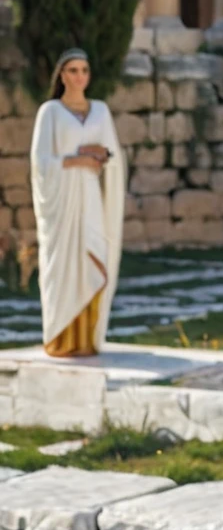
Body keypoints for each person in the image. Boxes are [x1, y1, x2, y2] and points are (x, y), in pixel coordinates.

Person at [30, 48, 125, 357]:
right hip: (61, 201)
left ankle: (87, 339)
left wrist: (101, 155)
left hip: (89, 197)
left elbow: (113, 156)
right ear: (62, 75)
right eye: (73, 70)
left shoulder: (100, 111)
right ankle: (60, 338)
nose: (79, 76)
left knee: (94, 257)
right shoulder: (51, 112)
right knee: (62, 267)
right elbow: (41, 162)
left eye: (84, 70)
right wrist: (75, 160)